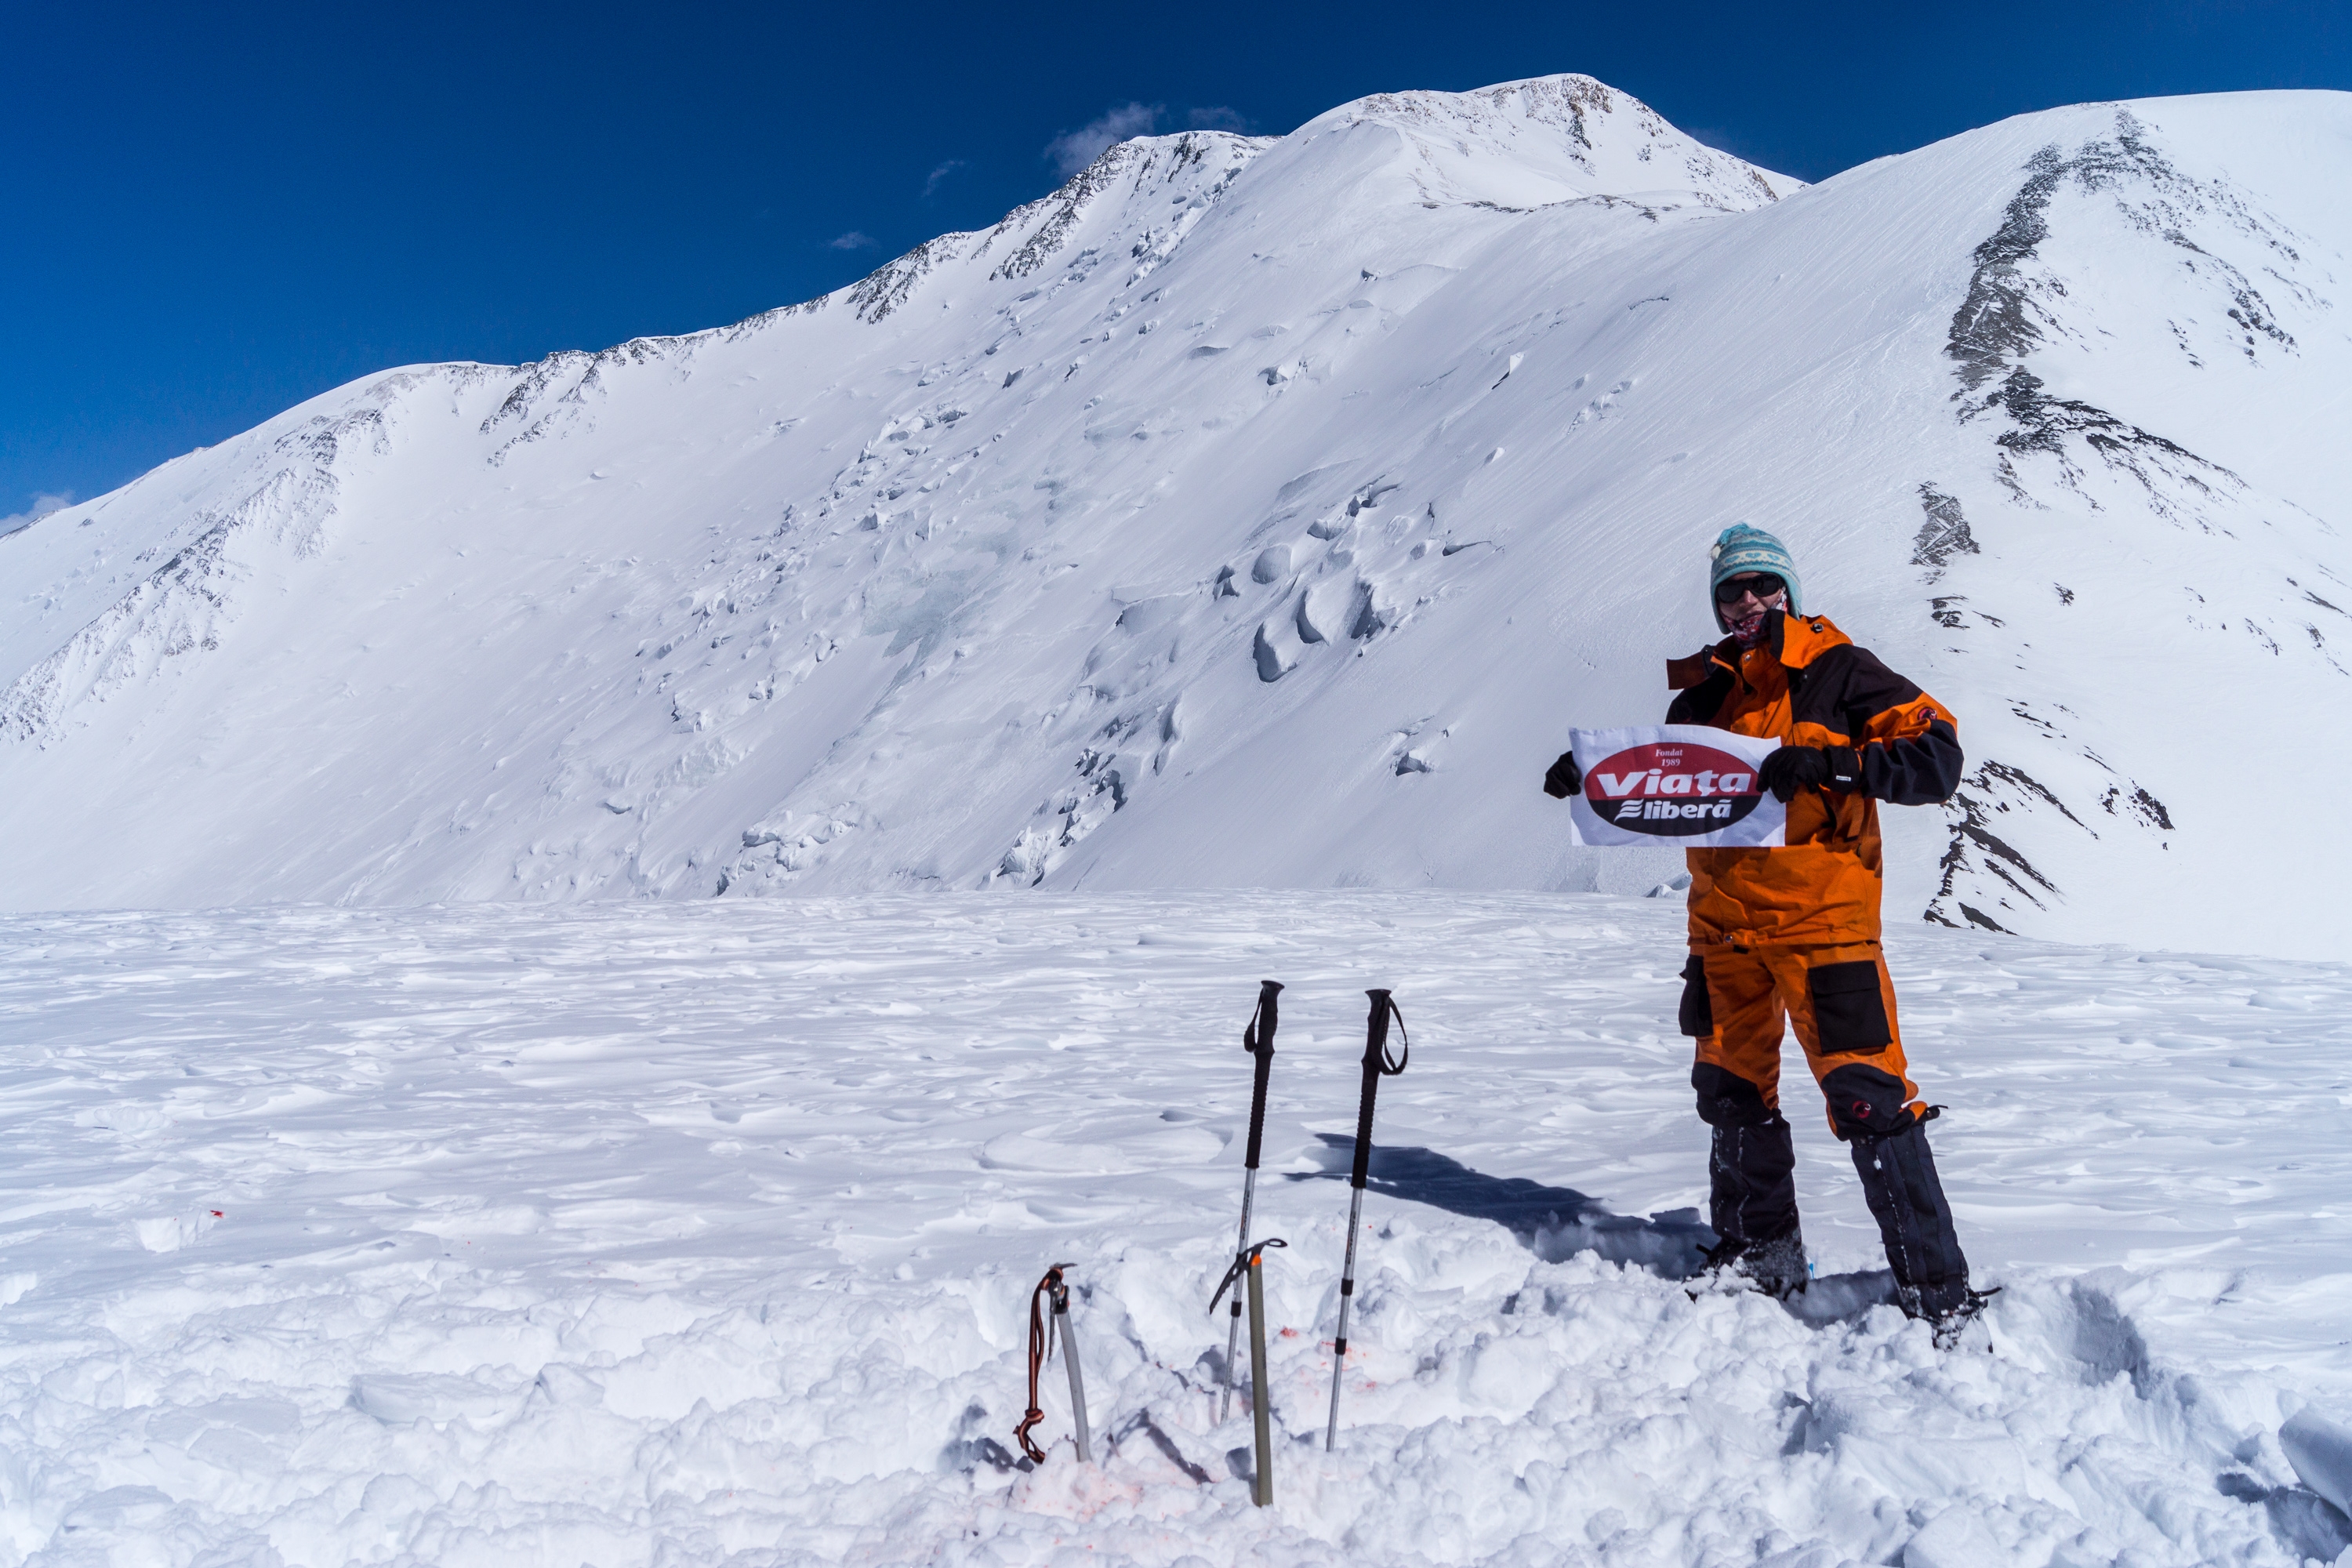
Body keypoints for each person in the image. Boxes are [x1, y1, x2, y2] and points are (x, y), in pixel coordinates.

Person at [1543, 523, 1990, 1345]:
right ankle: (1761, 1257)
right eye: (1732, 590)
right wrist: (1593, 781)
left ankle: (1938, 1295)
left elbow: (1937, 761)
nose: (1747, 601)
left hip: (1826, 932)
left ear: (1789, 591)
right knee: (1732, 1096)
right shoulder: (1700, 698)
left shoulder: (1840, 671)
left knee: (1870, 1100)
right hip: (1723, 935)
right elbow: (1668, 791)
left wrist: (1837, 765)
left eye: (1763, 585)